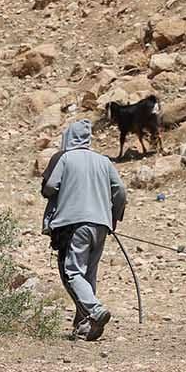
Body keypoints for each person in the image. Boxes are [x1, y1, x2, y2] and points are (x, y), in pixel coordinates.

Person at [41, 119, 127, 340]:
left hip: (74, 224)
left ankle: (96, 311)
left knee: (72, 272)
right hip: (101, 225)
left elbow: (50, 186)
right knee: (88, 274)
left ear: (69, 138)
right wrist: (114, 216)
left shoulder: (66, 158)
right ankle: (85, 326)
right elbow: (120, 190)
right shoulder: (104, 161)